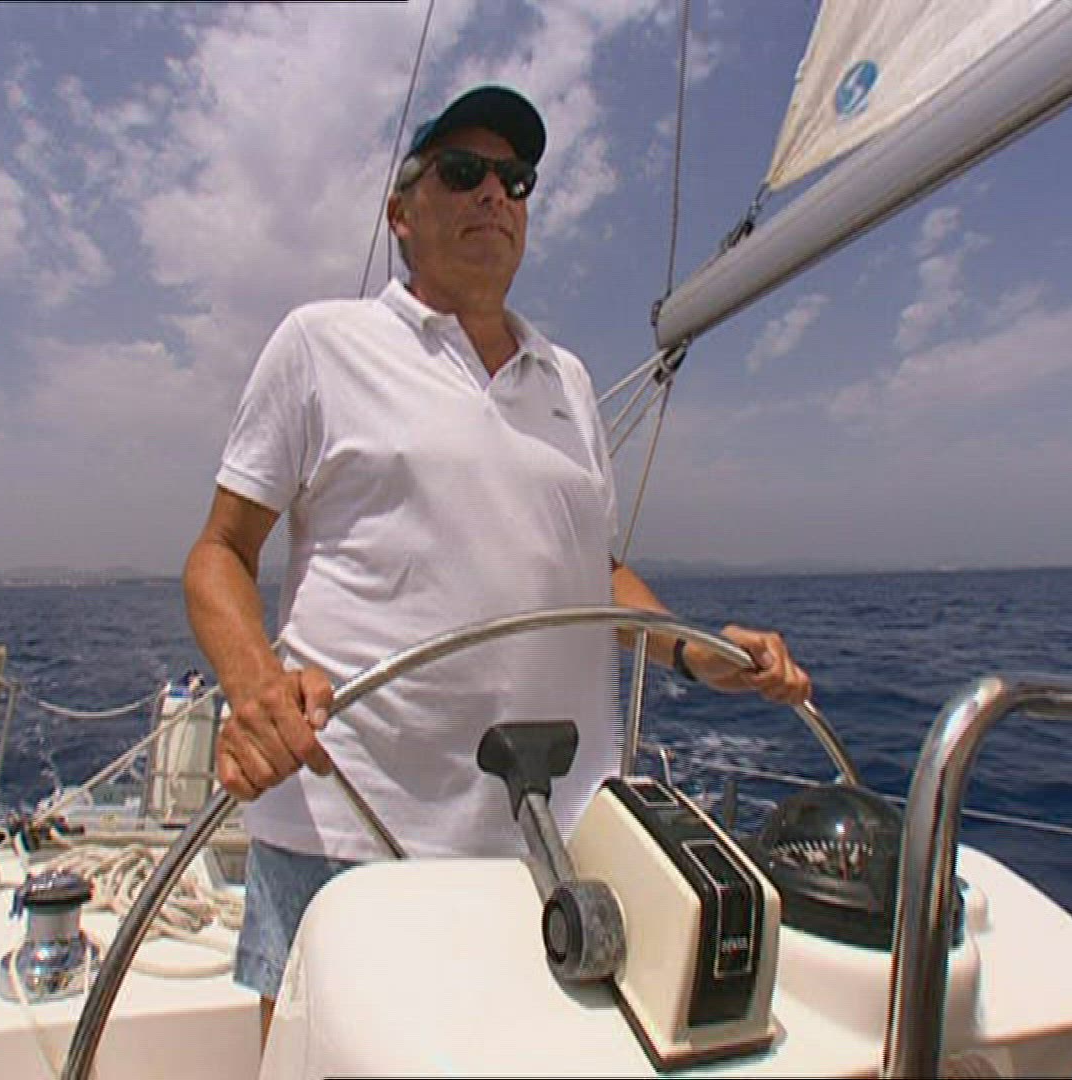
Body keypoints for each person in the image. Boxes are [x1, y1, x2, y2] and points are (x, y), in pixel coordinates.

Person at [182, 84, 812, 1040]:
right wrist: (254, 684)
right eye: (463, 171)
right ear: (401, 212)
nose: (494, 194)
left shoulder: (567, 380)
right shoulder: (321, 344)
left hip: (556, 836)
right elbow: (220, 552)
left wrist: (694, 651)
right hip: (348, 824)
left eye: (515, 181)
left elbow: (593, 571)